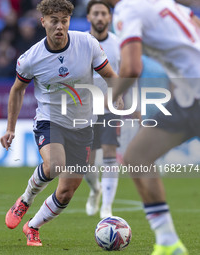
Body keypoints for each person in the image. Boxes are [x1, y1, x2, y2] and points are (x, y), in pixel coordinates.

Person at [0, 0, 121, 247]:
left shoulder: (86, 44)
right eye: (54, 21)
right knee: (55, 165)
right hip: (50, 120)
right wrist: (10, 127)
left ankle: (32, 227)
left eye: (64, 21)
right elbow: (17, 91)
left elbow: (111, 77)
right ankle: (25, 198)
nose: (59, 27)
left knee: (66, 192)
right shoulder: (30, 58)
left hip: (83, 124)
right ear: (42, 22)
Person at [103, 0, 200, 254]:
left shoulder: (127, 9)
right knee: (137, 156)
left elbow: (132, 67)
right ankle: (168, 243)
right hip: (189, 96)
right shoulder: (164, 3)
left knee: (137, 157)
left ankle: (168, 240)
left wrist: (110, 98)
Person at [83, 0, 121, 219]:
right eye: (95, 13)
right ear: (88, 17)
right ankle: (95, 190)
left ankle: (107, 206)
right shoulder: (80, 43)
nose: (99, 17)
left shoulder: (118, 44)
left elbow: (125, 73)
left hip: (110, 105)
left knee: (109, 152)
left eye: (103, 14)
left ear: (109, 18)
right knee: (88, 158)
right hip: (85, 107)